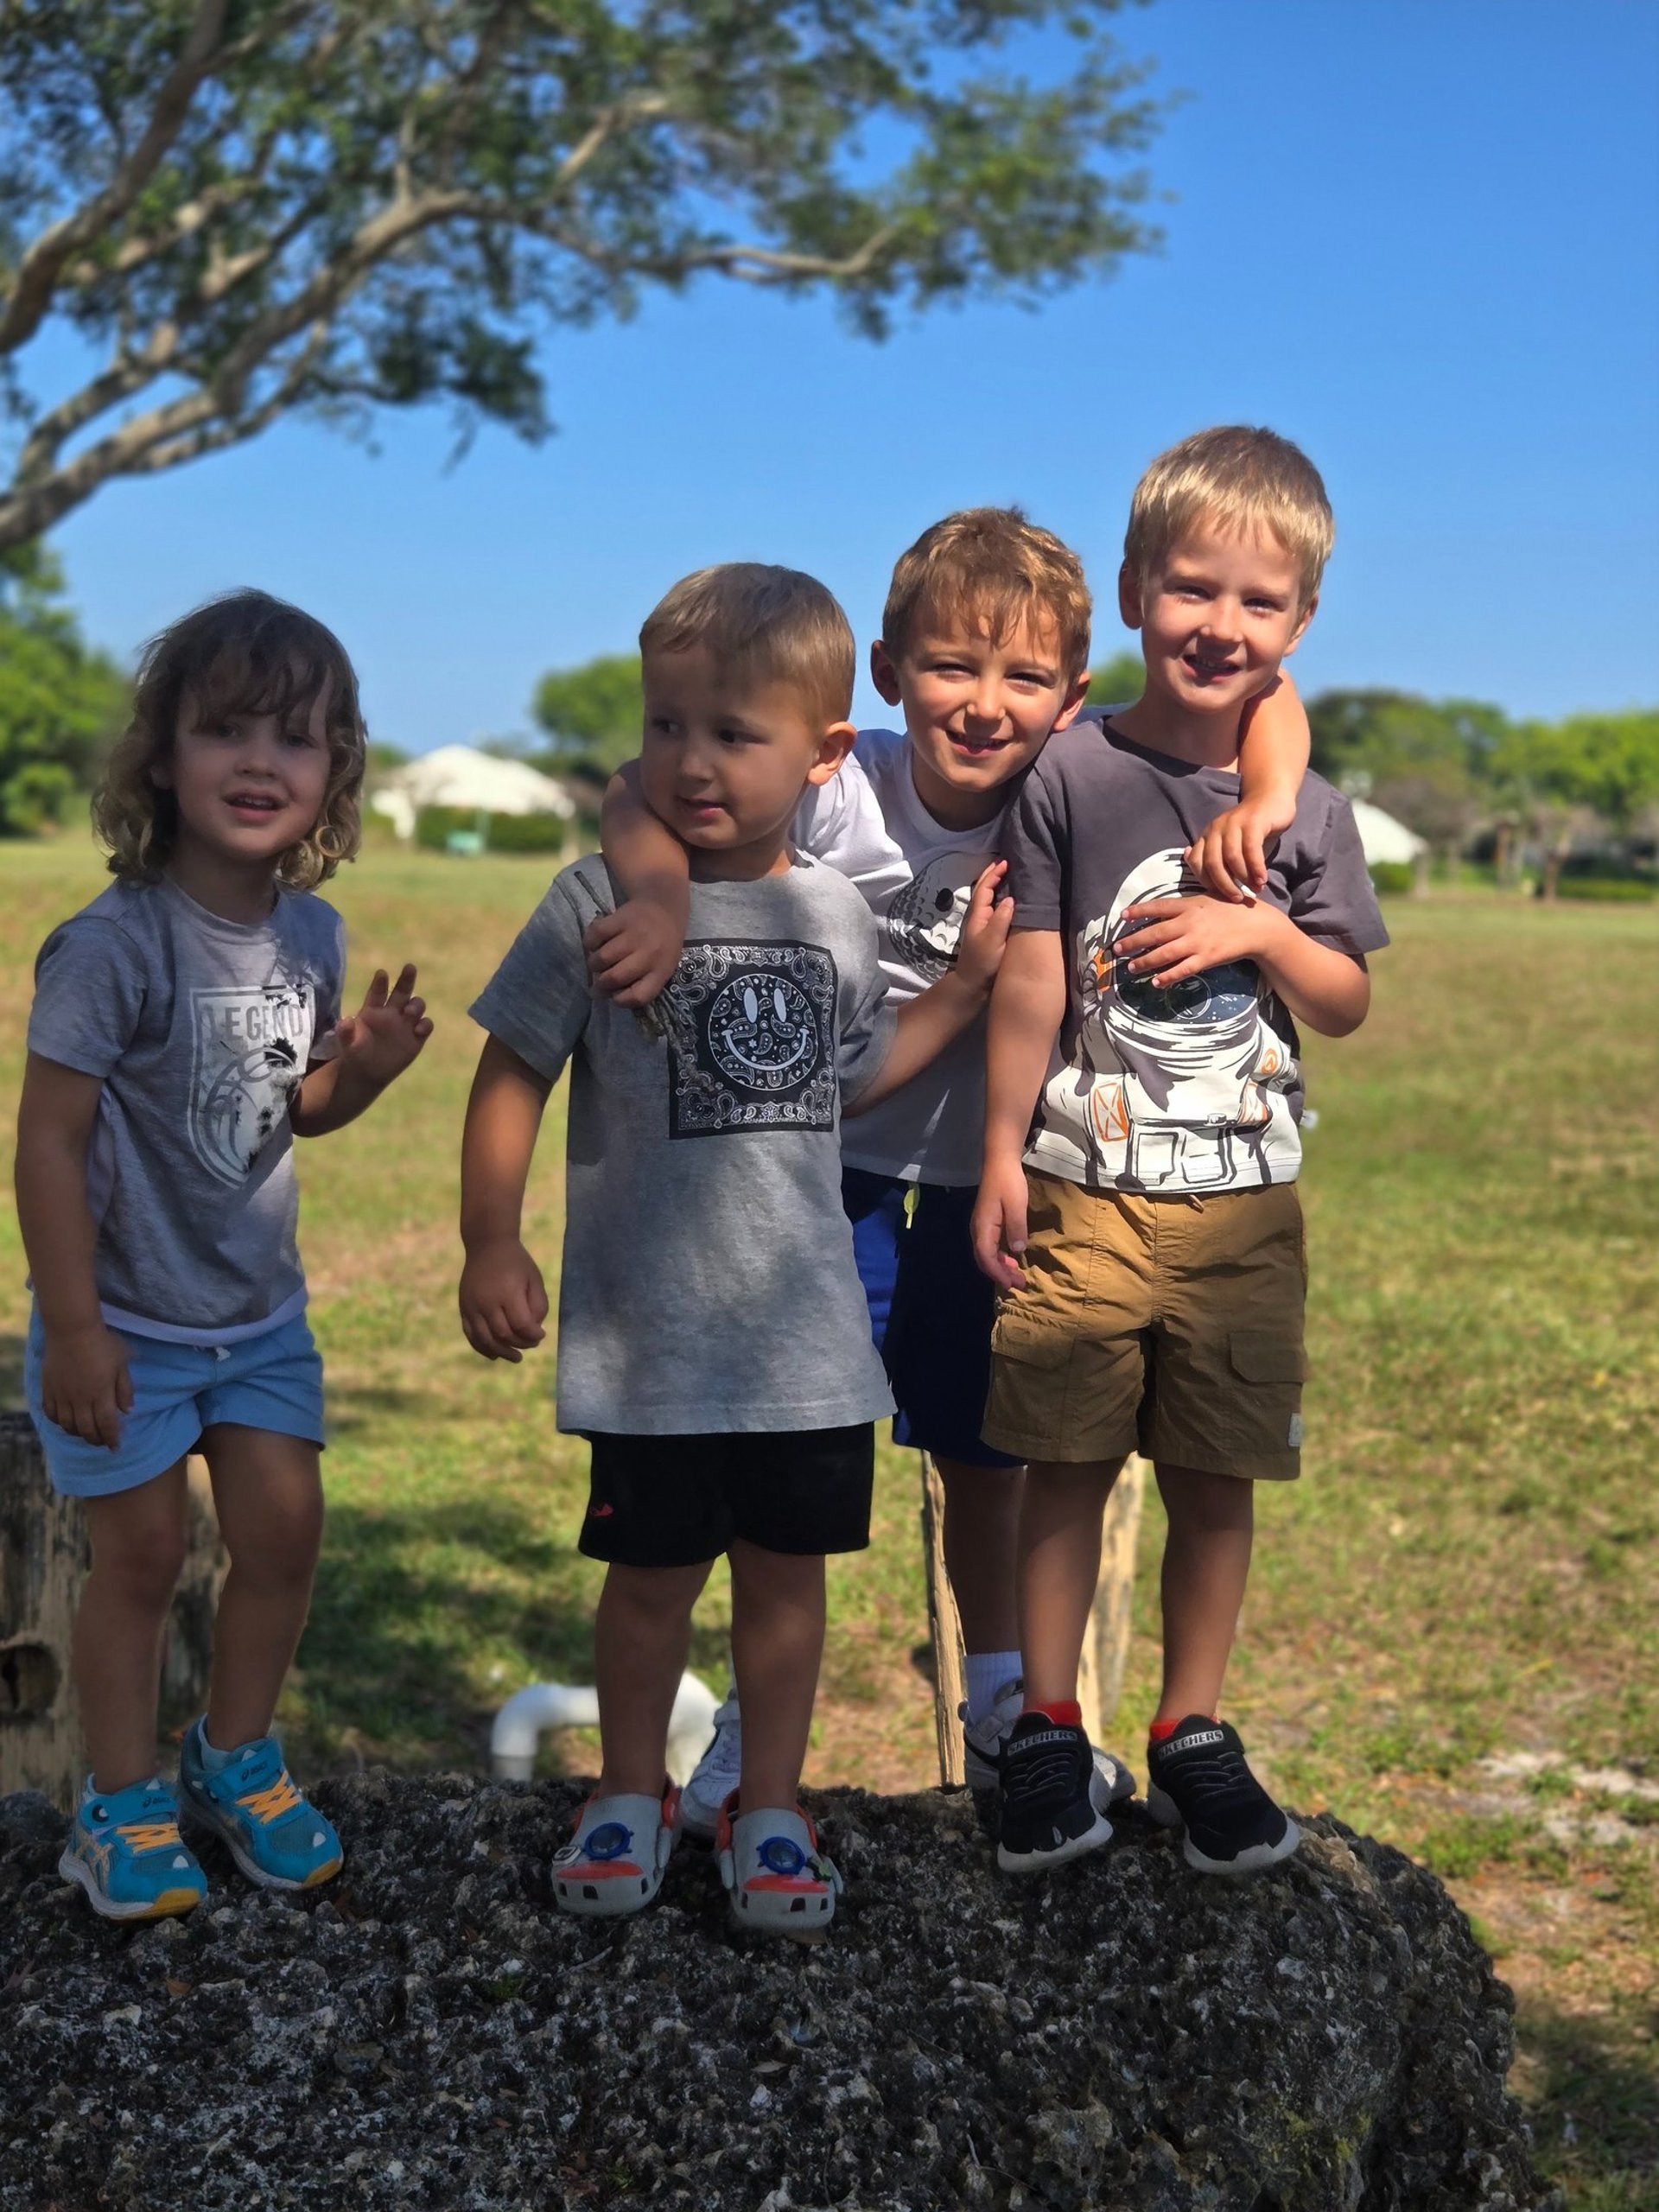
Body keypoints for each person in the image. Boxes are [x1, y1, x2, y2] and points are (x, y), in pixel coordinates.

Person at [589, 508, 1311, 1823]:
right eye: (949, 667)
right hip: (813, 1177)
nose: (984, 705)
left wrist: (1267, 801)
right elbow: (634, 786)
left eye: (1024, 676)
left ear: (1072, 695)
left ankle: (1001, 1705)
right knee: (785, 1453)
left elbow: (1263, 696)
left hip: (994, 1181)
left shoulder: (1076, 781)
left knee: (986, 1450)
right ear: (886, 672)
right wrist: (661, 894)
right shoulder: (838, 782)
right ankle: (752, 1724)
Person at [458, 563, 1007, 1933]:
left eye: (733, 734)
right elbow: (513, 1068)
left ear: (824, 754)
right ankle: (626, 1792)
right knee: (647, 1587)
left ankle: (768, 1806)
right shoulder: (597, 901)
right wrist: (490, 1241)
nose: (690, 763)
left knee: (784, 1591)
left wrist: (960, 994)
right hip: (650, 1339)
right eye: (666, 726)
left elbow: (850, 1081)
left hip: (804, 1347)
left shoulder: (834, 914)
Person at [972, 427, 1389, 1877]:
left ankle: (1191, 1729)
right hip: (1084, 1184)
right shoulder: (1071, 771)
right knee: (1063, 1461)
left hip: (1242, 1211)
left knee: (1218, 1477)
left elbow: (1344, 1000)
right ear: (1138, 588)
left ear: (1302, 624)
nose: (1222, 624)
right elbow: (1034, 970)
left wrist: (1263, 927)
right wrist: (1004, 1147)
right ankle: (1047, 1727)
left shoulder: (1307, 812)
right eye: (1193, 588)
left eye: (1260, 602)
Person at [18, 591, 432, 1922]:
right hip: (123, 1318)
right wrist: (76, 1328)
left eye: (296, 739)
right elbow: (46, 1145)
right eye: (226, 729)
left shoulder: (311, 937)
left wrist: (365, 1072)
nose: (261, 761)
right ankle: (119, 1805)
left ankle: (236, 1760)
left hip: (255, 1319)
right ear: (162, 758)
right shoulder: (114, 945)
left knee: (286, 1531)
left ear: (334, 775)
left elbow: (289, 1108)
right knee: (141, 1556)